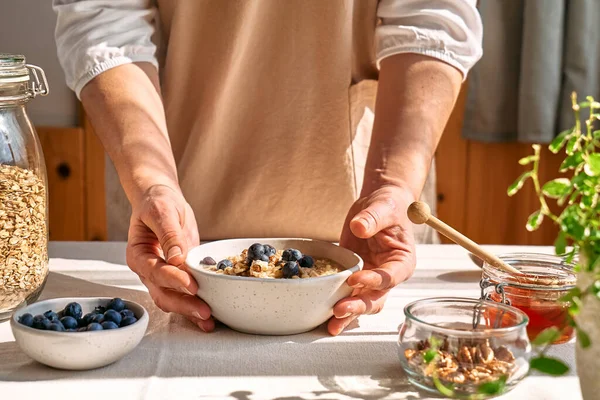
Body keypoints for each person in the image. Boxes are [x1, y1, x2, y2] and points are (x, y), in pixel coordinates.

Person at [52, 0, 482, 335]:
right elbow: (104, 15)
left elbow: (432, 16)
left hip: (362, 209)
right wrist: (153, 183)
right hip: (173, 199)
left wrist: (391, 184)